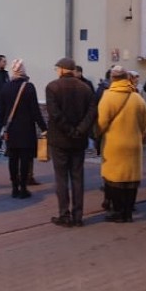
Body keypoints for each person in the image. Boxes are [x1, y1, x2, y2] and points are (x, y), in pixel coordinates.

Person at [46, 57, 97, 227]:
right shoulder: (86, 88)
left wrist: (68, 130)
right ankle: (78, 216)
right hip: (78, 140)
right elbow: (91, 113)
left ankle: (64, 214)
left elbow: (55, 114)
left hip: (60, 140)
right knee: (77, 177)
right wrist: (79, 130)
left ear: (61, 69)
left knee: (61, 178)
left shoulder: (52, 87)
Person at [97, 65, 146, 222]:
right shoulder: (137, 98)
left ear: (113, 78)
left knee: (115, 179)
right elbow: (145, 124)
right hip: (133, 144)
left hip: (114, 145)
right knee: (130, 179)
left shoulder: (108, 96)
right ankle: (128, 212)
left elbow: (100, 123)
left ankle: (118, 212)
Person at [0, 59, 47, 199]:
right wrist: (44, 128)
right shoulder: (29, 87)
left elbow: (1, 111)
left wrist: (2, 128)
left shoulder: (5, 87)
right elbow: (35, 111)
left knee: (12, 159)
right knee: (25, 159)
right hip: (26, 130)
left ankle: (14, 188)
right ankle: (23, 188)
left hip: (11, 129)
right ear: (23, 71)